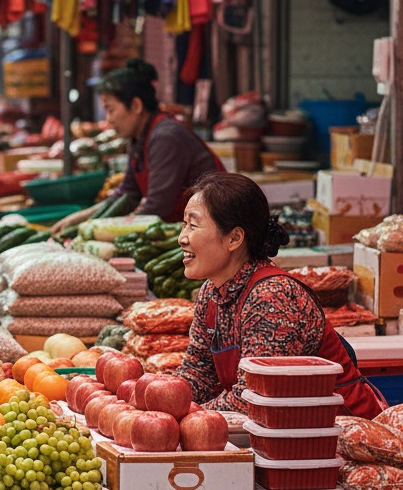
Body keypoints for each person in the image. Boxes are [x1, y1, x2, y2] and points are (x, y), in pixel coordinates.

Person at [176, 172, 387, 418]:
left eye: (193, 225)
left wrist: (188, 416)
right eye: (183, 224)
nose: (182, 238)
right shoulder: (211, 293)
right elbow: (197, 374)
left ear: (234, 238)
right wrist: (159, 401)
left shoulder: (271, 297)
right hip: (286, 434)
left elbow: (253, 398)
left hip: (341, 435)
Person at [56, 58, 223, 230]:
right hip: (186, 230)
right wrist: (79, 219)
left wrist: (104, 229)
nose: (108, 119)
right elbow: (127, 195)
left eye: (110, 109)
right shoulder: (140, 138)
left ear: (136, 105)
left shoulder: (165, 138)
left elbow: (157, 208)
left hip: (213, 229)